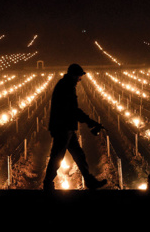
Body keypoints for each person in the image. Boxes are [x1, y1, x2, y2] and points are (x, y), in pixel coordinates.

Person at [43, 63, 107, 191]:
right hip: (63, 127)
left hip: (67, 127)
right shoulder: (66, 87)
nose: (80, 79)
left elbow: (72, 110)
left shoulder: (65, 85)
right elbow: (72, 110)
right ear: (73, 75)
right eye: (79, 76)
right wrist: (90, 121)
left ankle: (89, 181)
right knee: (57, 156)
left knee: (79, 155)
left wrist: (89, 122)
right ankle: (47, 183)